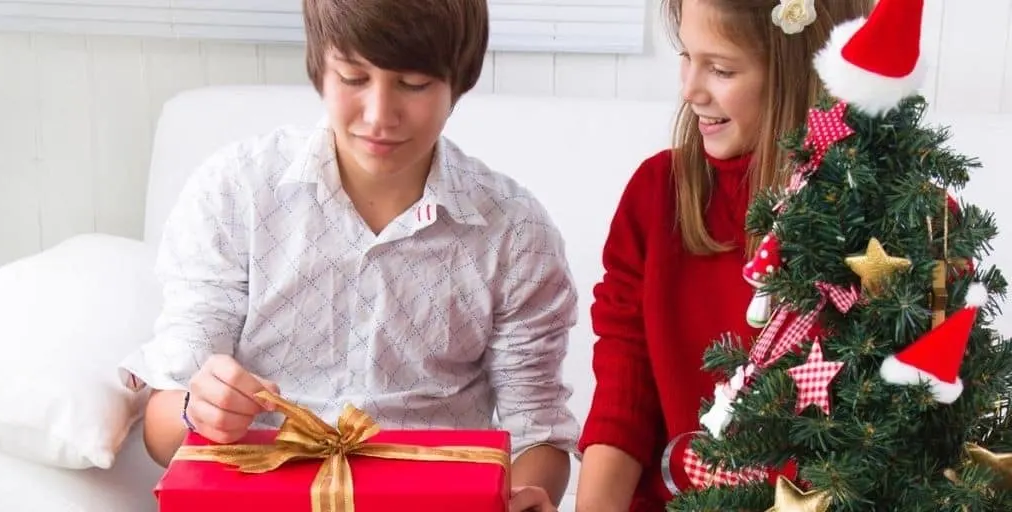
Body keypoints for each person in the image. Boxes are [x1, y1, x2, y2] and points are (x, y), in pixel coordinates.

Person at [117, 1, 578, 510]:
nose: (379, 116)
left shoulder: (514, 231)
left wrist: (524, 496)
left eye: (414, 84)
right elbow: (161, 429)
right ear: (319, 67)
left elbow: (538, 433)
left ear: (459, 81)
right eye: (353, 77)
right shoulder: (234, 193)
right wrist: (198, 409)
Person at [573, 0, 876, 510]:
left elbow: (903, 433)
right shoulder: (657, 194)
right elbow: (624, 394)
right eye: (686, 56)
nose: (690, 89)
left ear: (802, 71)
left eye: (720, 68)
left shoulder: (886, 219)